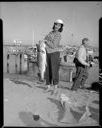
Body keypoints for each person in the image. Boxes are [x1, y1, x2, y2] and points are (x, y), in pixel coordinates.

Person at [44, 19, 64, 94]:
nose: (57, 26)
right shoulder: (50, 33)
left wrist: (46, 41)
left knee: (54, 71)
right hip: (47, 53)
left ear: (60, 27)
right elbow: (45, 40)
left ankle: (55, 87)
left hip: (54, 53)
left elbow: (53, 45)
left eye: (59, 25)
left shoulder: (58, 34)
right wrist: (45, 41)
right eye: (56, 24)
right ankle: (48, 86)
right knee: (47, 70)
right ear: (54, 25)